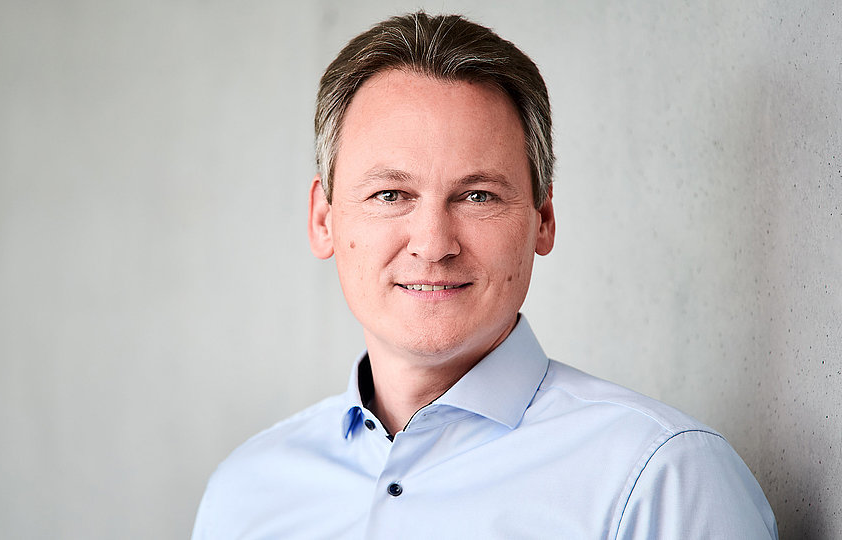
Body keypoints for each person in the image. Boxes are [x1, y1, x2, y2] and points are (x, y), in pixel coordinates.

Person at [192, 12, 778, 539]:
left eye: (477, 195)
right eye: (390, 194)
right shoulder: (244, 494)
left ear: (542, 219)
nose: (432, 244)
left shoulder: (660, 480)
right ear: (324, 219)